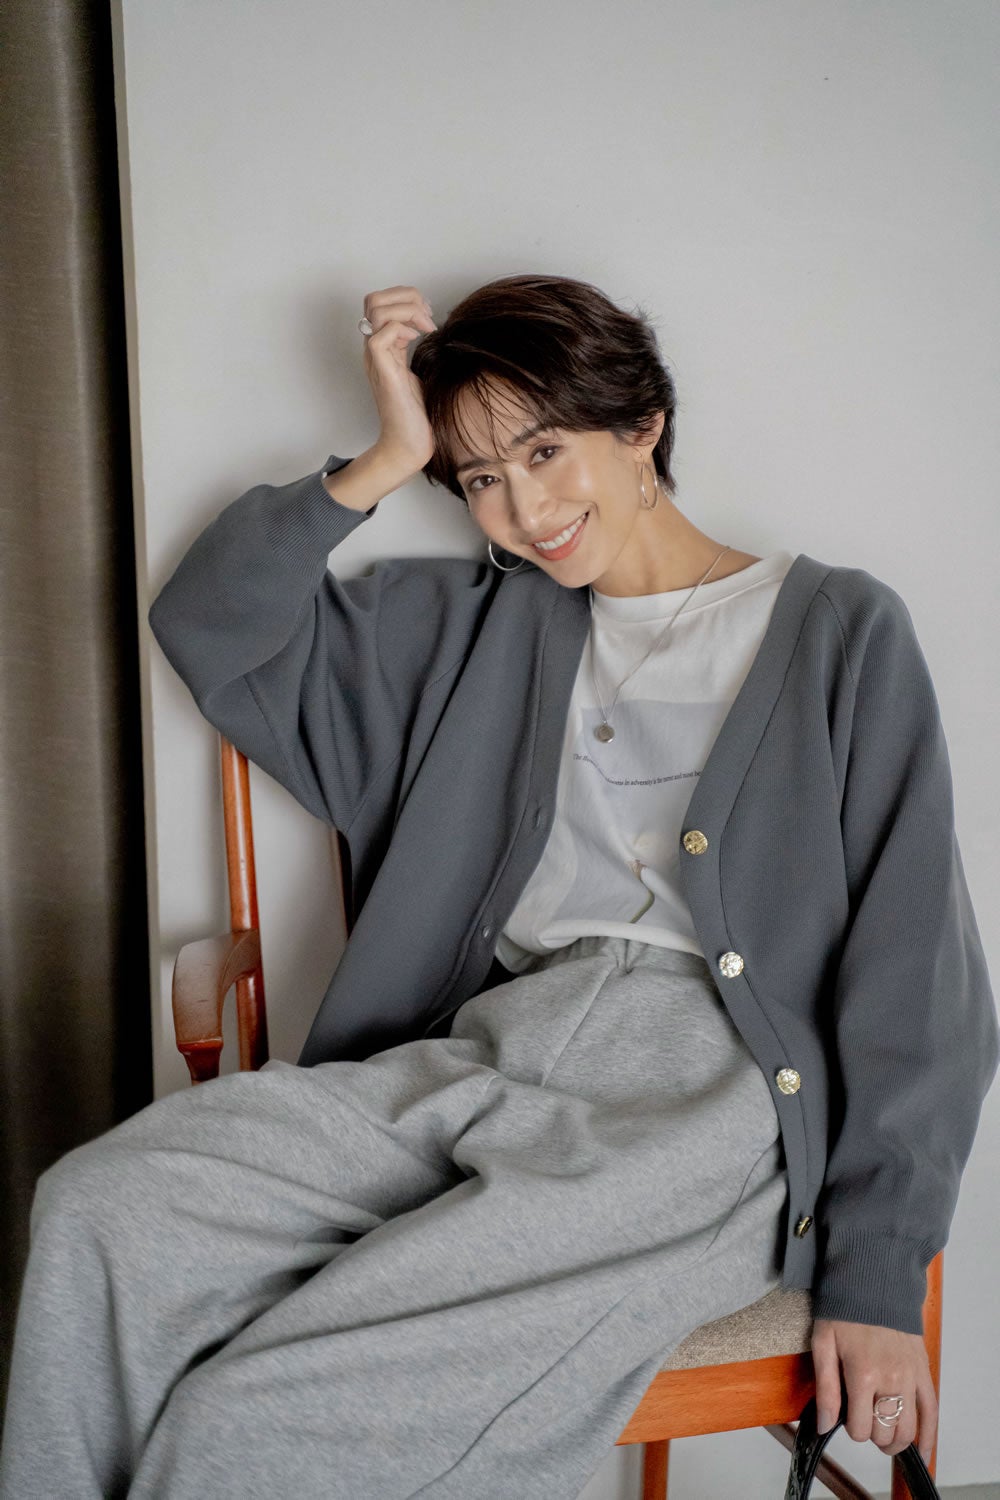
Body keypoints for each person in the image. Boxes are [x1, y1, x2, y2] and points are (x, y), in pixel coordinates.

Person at [2, 274, 997, 1499]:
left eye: (543, 451)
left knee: (253, 1415)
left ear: (641, 426)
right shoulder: (471, 629)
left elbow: (916, 971)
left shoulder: (841, 629)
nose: (523, 508)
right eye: (478, 477)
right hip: (490, 1050)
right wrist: (386, 456)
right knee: (105, 1208)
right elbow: (207, 621)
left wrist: (881, 1272)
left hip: (711, 1105)